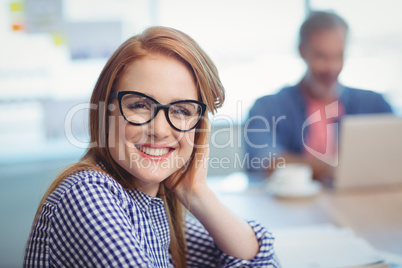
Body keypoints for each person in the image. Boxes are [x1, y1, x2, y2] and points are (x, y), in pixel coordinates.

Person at [24, 27, 280, 267]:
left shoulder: (150, 207)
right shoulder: (86, 193)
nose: (159, 130)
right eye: (139, 105)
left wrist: (197, 192)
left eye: (181, 110)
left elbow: (261, 261)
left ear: (199, 128)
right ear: (106, 112)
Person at [245, 11, 393, 180]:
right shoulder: (267, 107)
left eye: (339, 56)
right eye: (321, 56)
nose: (332, 68)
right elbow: (264, 162)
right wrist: (333, 168)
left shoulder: (374, 104)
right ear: (302, 51)